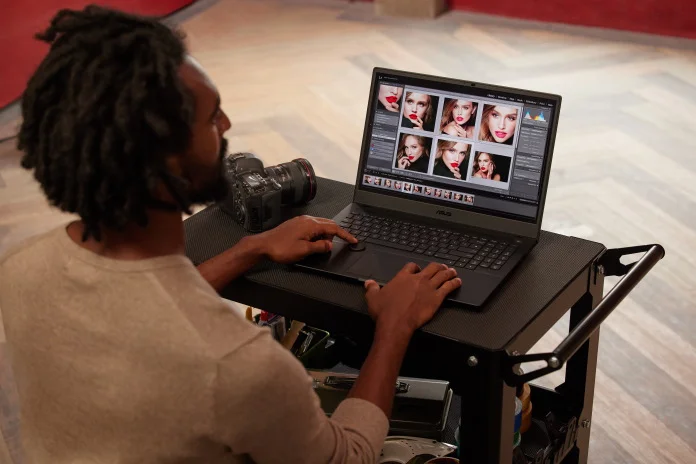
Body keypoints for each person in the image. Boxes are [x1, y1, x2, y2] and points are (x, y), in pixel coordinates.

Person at [0, 7, 463, 464]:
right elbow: (349, 455)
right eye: (211, 117)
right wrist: (394, 327)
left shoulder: (21, 267)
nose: (226, 126)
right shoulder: (236, 366)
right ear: (167, 161)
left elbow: (137, 317)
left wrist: (251, 248)